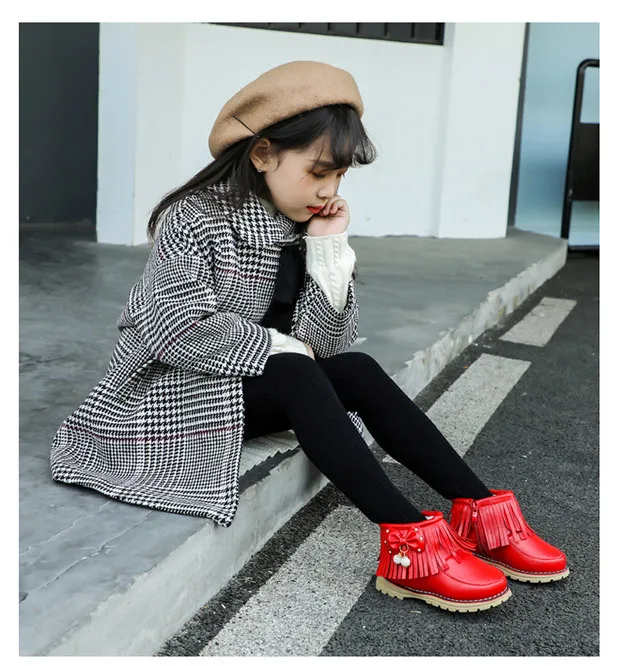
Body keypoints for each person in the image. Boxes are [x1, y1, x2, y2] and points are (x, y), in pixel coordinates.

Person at [50, 61, 569, 613]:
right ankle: (407, 542)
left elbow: (328, 345)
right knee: (296, 368)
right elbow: (173, 328)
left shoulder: (304, 223)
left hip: (257, 386)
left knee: (356, 369)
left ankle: (481, 511)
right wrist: (284, 348)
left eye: (338, 176)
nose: (328, 190)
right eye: (318, 171)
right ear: (263, 154)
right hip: (169, 395)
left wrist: (327, 250)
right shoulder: (194, 217)